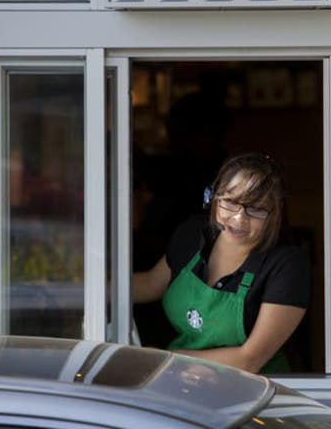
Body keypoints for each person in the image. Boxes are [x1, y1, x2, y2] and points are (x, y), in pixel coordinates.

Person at [132, 152, 310, 374]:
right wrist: (86, 288)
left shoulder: (287, 265)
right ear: (213, 199)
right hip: (181, 379)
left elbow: (250, 359)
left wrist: (161, 359)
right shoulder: (192, 235)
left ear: (275, 214)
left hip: (254, 395)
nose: (239, 218)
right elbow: (150, 284)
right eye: (230, 202)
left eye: (256, 208)